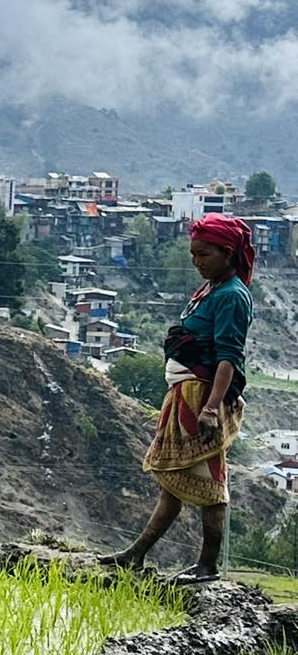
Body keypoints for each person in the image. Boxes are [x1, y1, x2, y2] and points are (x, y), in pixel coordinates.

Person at [99, 215, 256, 582]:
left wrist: (211, 408)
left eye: (203, 254)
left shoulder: (232, 296)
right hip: (185, 396)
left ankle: (208, 566)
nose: (195, 261)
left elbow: (227, 356)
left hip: (204, 400)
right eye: (193, 253)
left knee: (209, 482)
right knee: (173, 480)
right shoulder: (211, 288)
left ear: (227, 252)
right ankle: (135, 554)